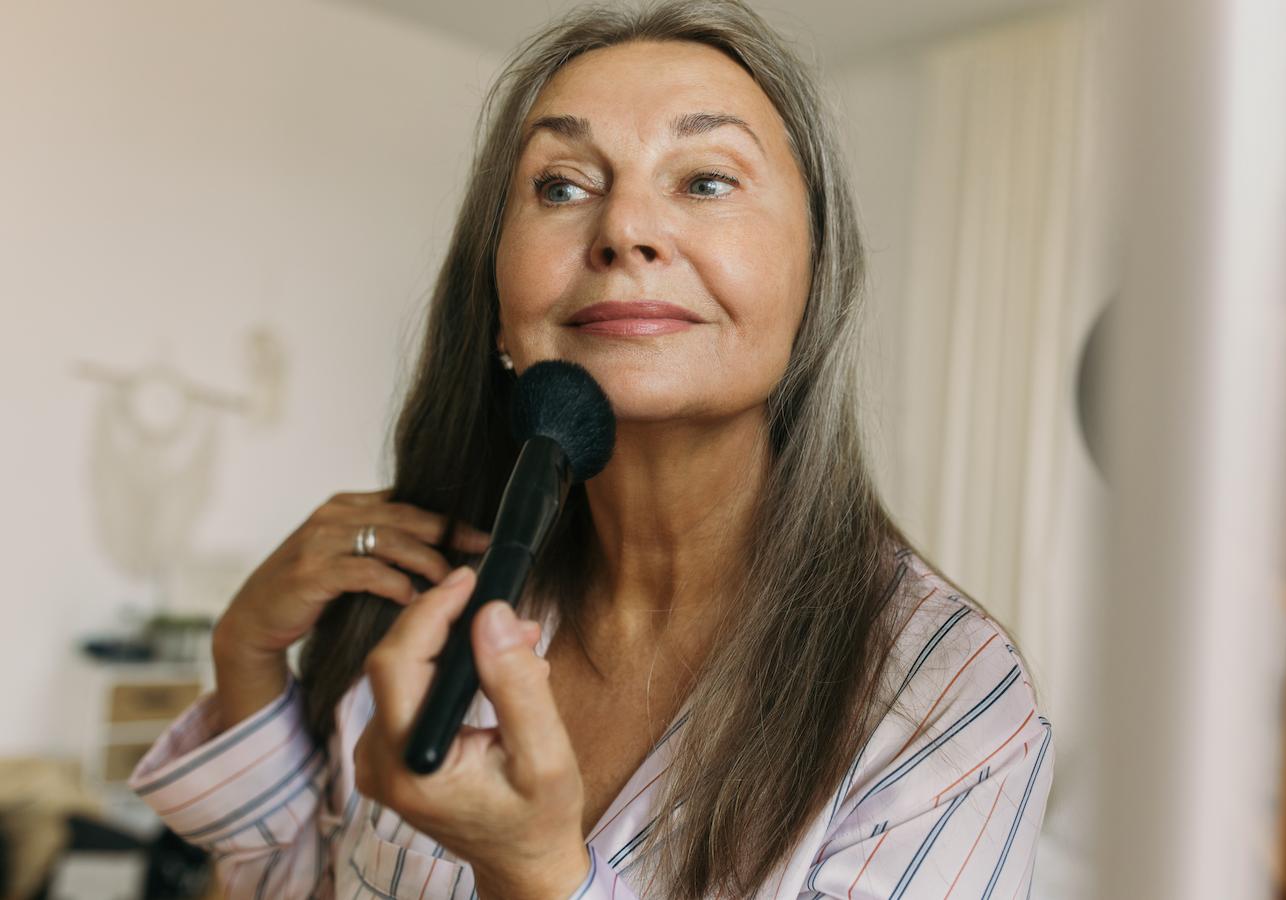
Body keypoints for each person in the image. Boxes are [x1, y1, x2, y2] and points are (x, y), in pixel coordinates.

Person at [128, 0, 1055, 896]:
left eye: (704, 180)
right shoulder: (416, 611)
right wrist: (247, 660)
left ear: (817, 276)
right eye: (562, 186)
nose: (625, 231)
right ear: (498, 301)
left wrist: (534, 875)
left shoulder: (948, 704)